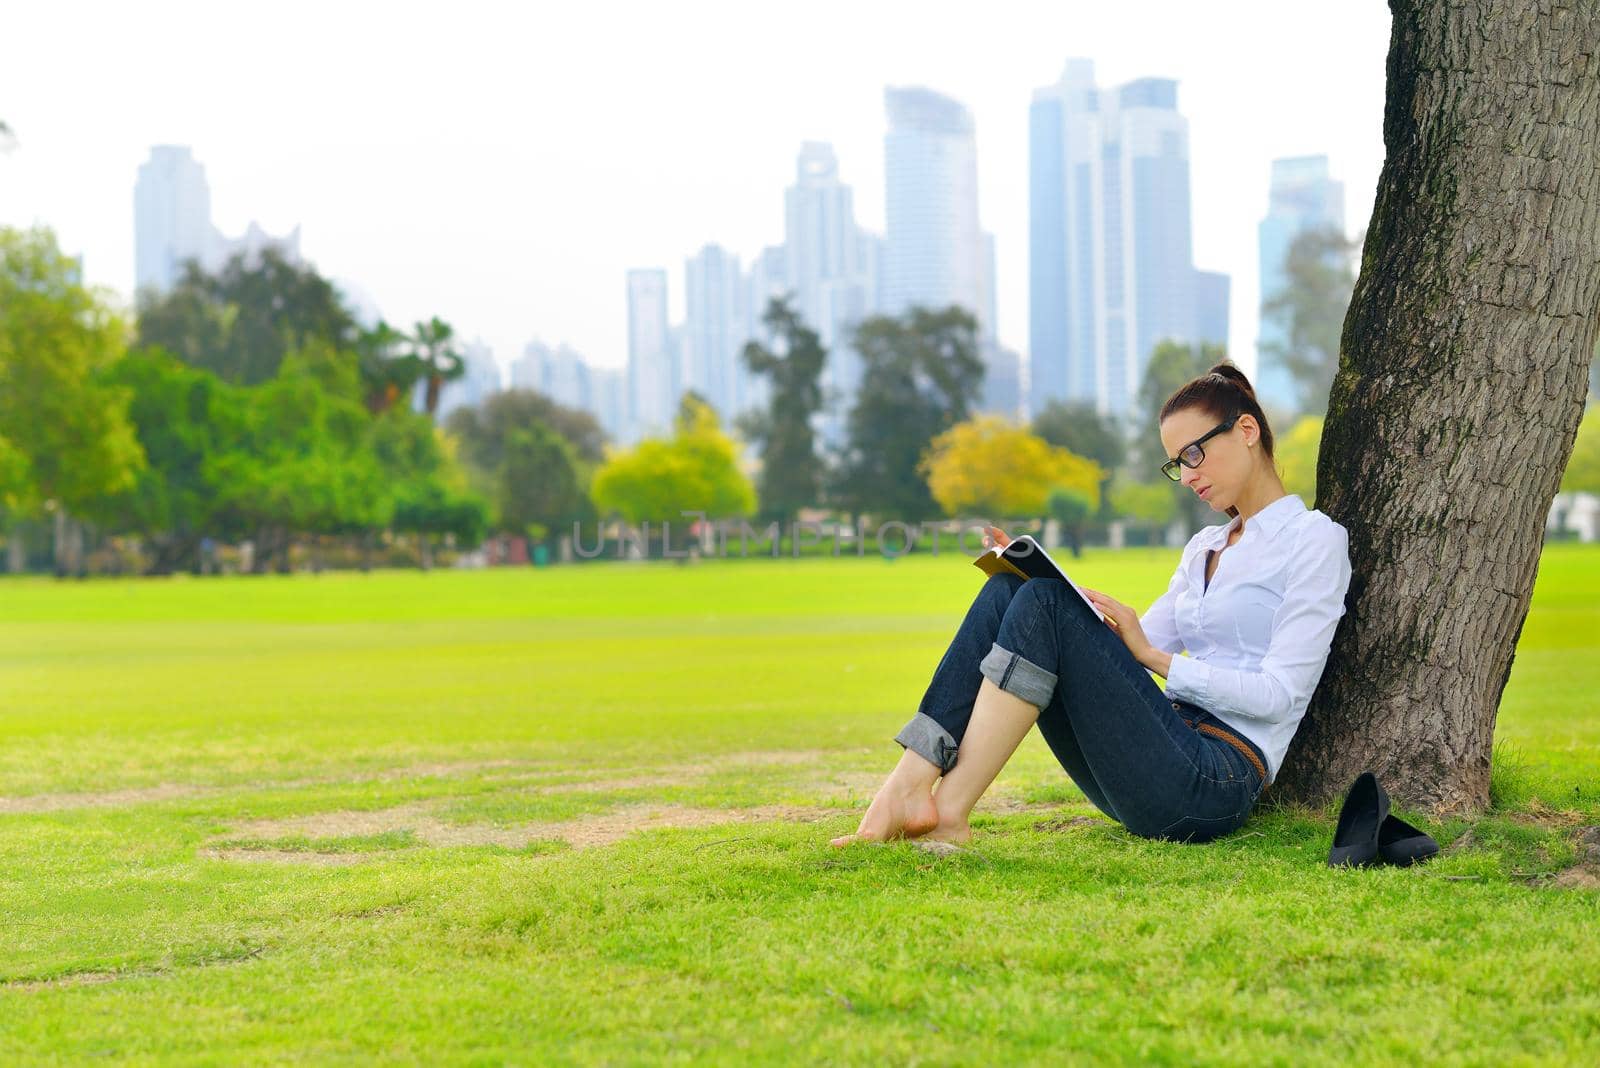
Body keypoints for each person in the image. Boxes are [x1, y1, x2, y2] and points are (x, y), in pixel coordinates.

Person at [830, 362, 1353, 847]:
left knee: (1043, 601)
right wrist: (1044, 577)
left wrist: (1156, 659)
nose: (1188, 475)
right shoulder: (1205, 549)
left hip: (1214, 779)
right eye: (1176, 465)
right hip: (1152, 753)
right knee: (1013, 585)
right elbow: (1110, 653)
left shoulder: (1313, 540)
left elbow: (1281, 696)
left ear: (1246, 430)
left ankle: (945, 813)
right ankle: (908, 786)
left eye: (1193, 454)